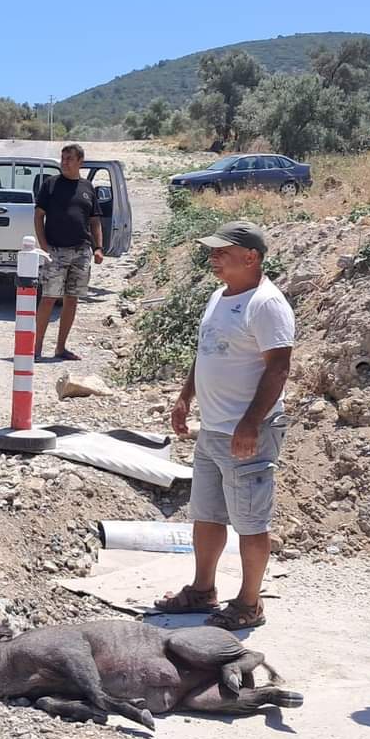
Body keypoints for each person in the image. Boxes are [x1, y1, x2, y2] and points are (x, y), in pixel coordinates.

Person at [153, 220, 294, 630]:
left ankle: (250, 603)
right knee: (207, 514)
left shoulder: (266, 304)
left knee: (251, 521)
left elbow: (279, 367)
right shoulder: (220, 296)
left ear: (251, 257)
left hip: (248, 430)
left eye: (222, 251)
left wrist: (251, 423)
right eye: (212, 251)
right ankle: (203, 589)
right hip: (214, 428)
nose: (213, 257)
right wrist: (185, 397)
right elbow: (208, 352)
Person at [34, 143, 103, 360]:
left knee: (72, 299)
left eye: (69, 159)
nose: (64, 162)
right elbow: (38, 216)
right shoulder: (50, 185)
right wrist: (44, 245)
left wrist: (98, 247)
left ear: (80, 161)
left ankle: (60, 348)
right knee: (48, 298)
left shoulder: (88, 188)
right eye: (63, 158)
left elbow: (95, 221)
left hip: (81, 251)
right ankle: (35, 349)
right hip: (55, 250)